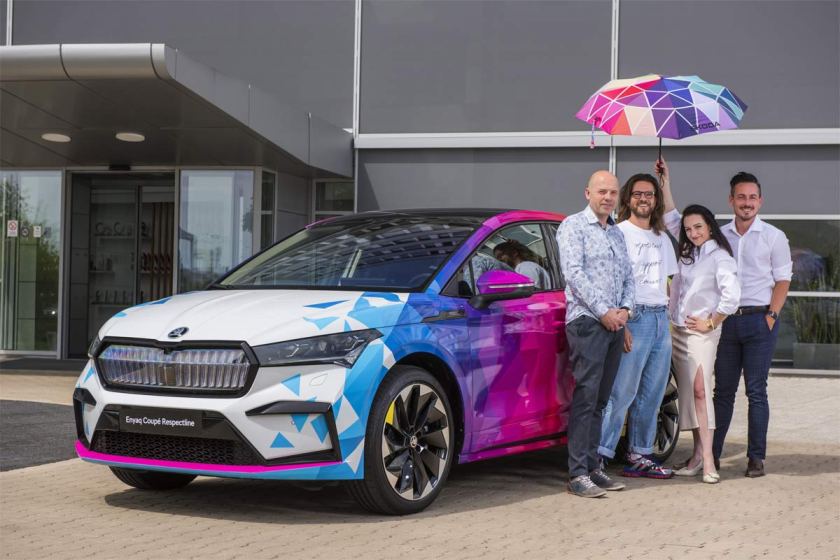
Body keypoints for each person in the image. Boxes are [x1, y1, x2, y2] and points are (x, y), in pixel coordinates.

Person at [661, 162, 792, 478]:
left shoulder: (774, 237)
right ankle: (712, 456)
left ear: (760, 200)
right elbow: (676, 222)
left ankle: (756, 458)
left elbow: (783, 280)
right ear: (731, 200)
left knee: (756, 392)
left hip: (759, 320)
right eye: (741, 197)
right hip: (725, 323)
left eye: (752, 197)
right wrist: (664, 183)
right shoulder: (718, 237)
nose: (747, 203)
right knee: (722, 392)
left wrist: (771, 316)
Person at [557, 170, 635, 498]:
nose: (608, 197)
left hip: (614, 323)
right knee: (586, 397)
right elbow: (574, 274)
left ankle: (593, 467)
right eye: (602, 191)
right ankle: (577, 474)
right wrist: (604, 311)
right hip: (588, 322)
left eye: (613, 192)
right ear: (587, 193)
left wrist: (625, 310)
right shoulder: (573, 226)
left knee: (602, 400)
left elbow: (629, 276)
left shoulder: (616, 232)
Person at [596, 173, 676, 479]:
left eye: (650, 194)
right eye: (638, 194)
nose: (644, 199)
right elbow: (610, 282)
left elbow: (667, 282)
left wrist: (668, 321)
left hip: (660, 319)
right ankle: (599, 457)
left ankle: (639, 455)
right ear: (628, 198)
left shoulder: (661, 237)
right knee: (621, 393)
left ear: (656, 201)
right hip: (634, 317)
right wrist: (623, 323)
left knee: (652, 394)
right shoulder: (619, 233)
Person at [669, 205, 740, 483]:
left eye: (698, 227)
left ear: (710, 226)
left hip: (702, 333)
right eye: (688, 229)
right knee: (688, 394)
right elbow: (677, 291)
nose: (693, 233)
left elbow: (732, 297)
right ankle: (697, 455)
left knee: (700, 391)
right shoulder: (687, 255)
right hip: (678, 331)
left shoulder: (720, 257)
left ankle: (708, 460)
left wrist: (711, 322)